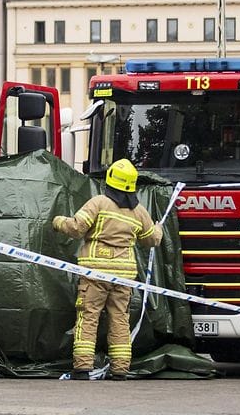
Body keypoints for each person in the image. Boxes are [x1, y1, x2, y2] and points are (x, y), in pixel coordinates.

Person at [52, 159, 163, 380]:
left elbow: (77, 228)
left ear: (110, 180)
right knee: (120, 319)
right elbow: (152, 240)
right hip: (124, 277)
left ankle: (82, 368)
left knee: (88, 317)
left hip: (95, 273)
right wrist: (158, 228)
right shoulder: (139, 212)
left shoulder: (99, 203)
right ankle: (120, 370)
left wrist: (58, 221)